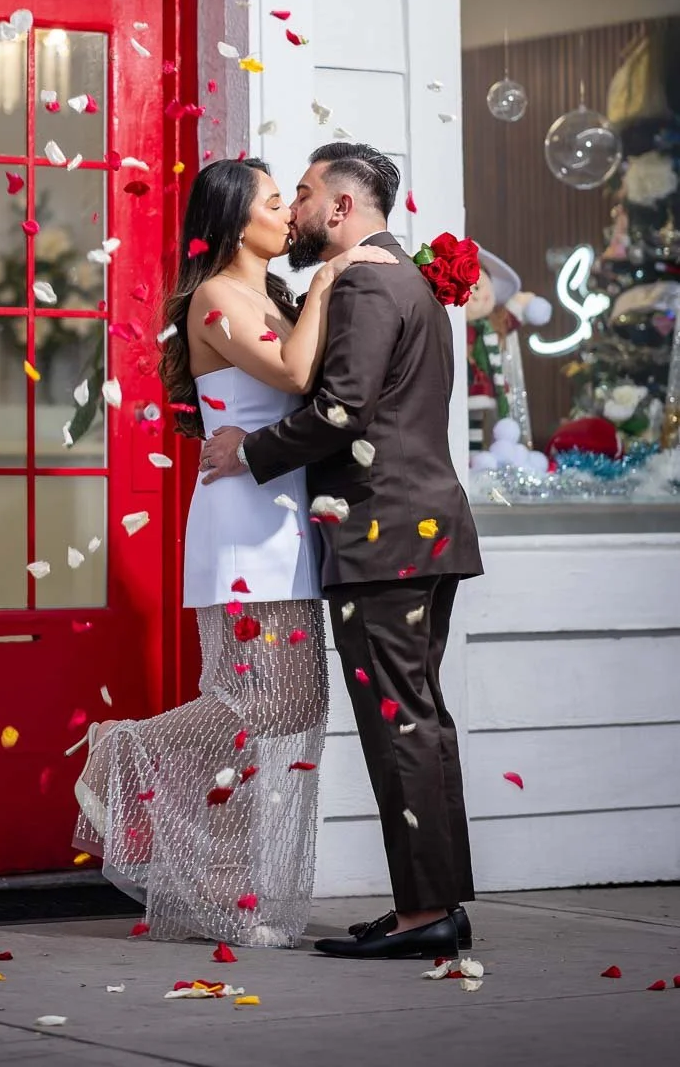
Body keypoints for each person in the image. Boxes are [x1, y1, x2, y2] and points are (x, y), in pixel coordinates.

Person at [72, 157, 395, 947]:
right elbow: (298, 371)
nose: (290, 215)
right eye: (276, 202)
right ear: (233, 220)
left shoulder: (271, 294)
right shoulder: (218, 297)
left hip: (279, 510)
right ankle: (125, 748)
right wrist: (328, 284)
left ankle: (229, 890)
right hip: (245, 523)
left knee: (289, 710)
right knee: (262, 705)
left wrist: (312, 291)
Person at [202, 143, 483, 961]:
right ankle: (430, 908)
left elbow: (340, 413)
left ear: (342, 208)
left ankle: (424, 912)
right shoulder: (413, 278)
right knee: (421, 721)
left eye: (304, 191)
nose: (293, 207)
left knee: (401, 725)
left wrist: (246, 454)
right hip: (426, 528)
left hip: (381, 536)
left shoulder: (361, 279)